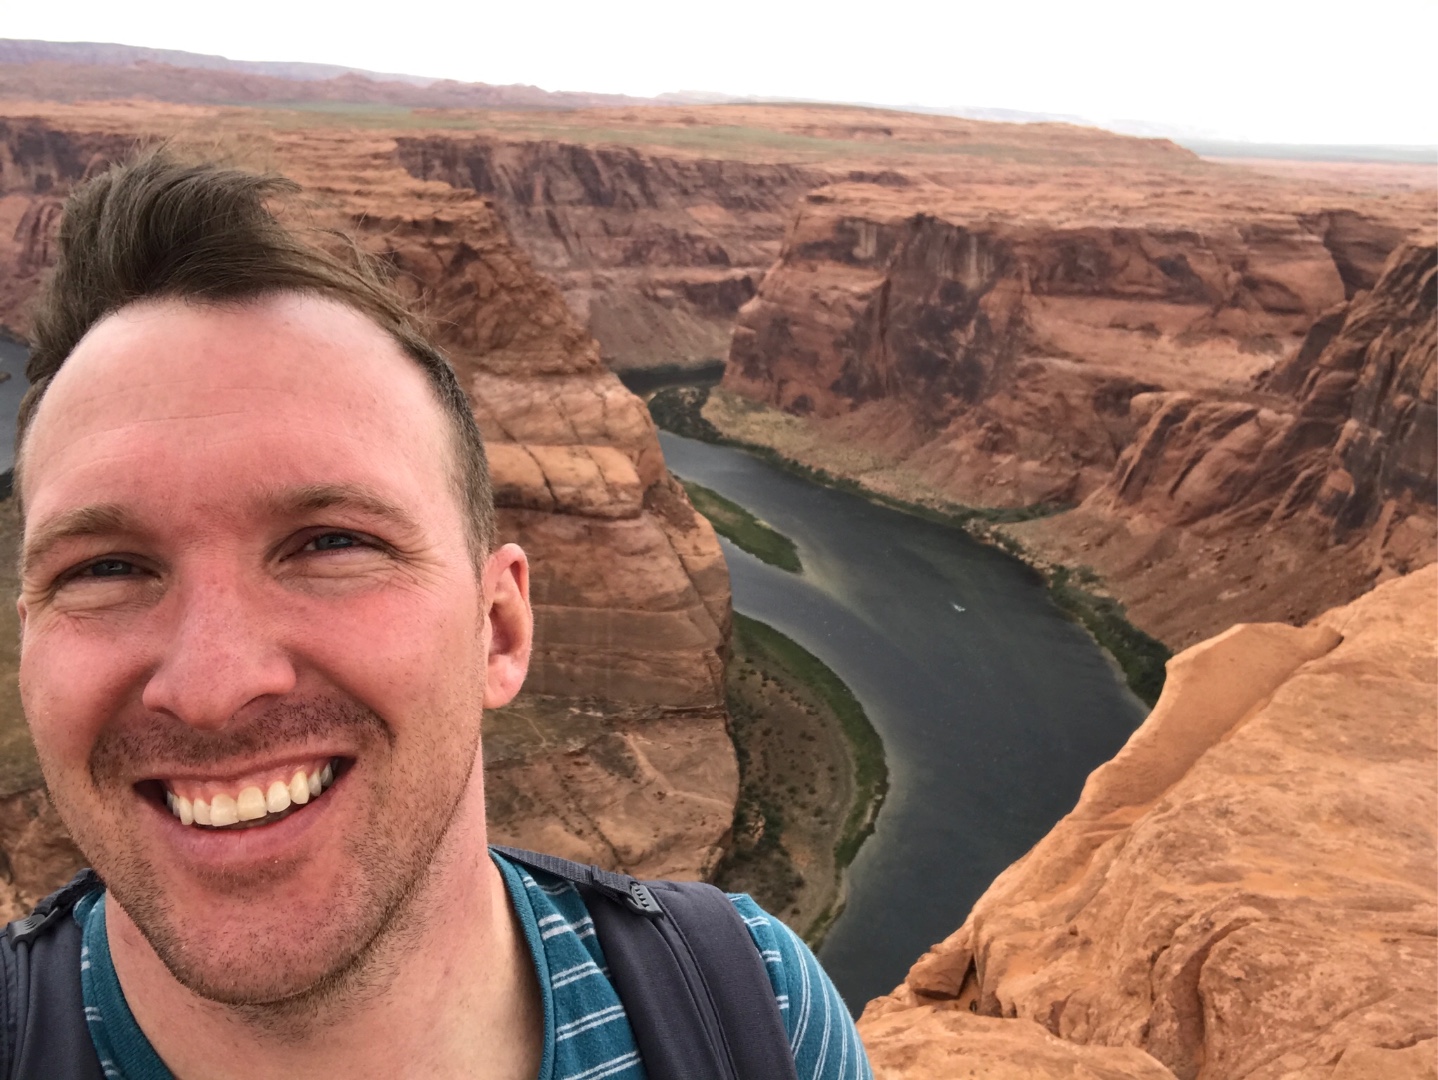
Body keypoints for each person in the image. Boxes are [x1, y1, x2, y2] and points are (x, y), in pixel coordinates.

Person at [5, 153, 873, 1079]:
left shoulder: (756, 1012)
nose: (211, 686)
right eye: (104, 568)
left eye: (331, 543)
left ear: (499, 630)